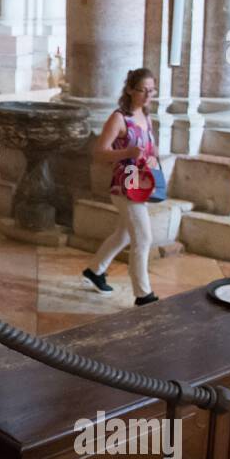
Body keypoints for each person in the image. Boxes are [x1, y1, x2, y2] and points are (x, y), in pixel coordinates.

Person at [82, 68, 159, 307]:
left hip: (141, 184)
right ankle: (143, 294)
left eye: (151, 90)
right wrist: (127, 152)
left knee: (124, 234)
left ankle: (95, 270)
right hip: (124, 186)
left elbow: (148, 149)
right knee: (143, 238)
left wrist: (152, 159)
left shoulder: (145, 116)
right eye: (142, 90)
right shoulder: (118, 118)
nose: (147, 96)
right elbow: (98, 153)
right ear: (129, 90)